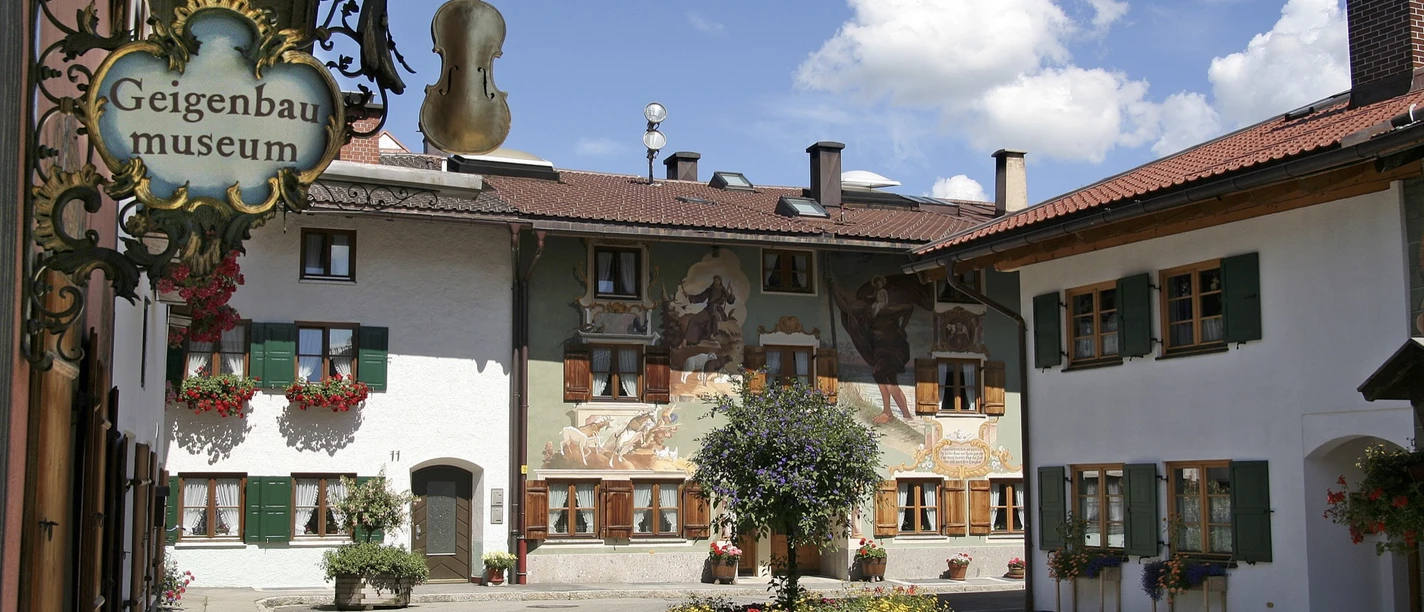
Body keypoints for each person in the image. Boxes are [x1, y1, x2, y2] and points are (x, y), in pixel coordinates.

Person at [682, 275, 736, 347]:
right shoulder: (710, 289)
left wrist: (731, 290)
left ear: (720, 281)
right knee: (693, 321)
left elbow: (730, 300)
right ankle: (690, 340)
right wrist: (689, 296)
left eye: (716, 280)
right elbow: (701, 297)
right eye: (714, 280)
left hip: (717, 310)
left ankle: (712, 336)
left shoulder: (723, 290)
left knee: (713, 318)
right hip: (708, 309)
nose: (715, 281)